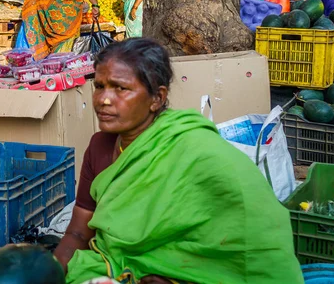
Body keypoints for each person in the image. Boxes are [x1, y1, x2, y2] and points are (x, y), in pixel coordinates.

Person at [55, 38, 304, 284]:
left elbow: (256, 226)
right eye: (99, 86)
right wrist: (50, 273)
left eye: (121, 88)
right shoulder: (100, 148)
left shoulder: (196, 149)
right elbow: (78, 232)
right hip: (112, 267)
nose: (103, 100)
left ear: (157, 98)